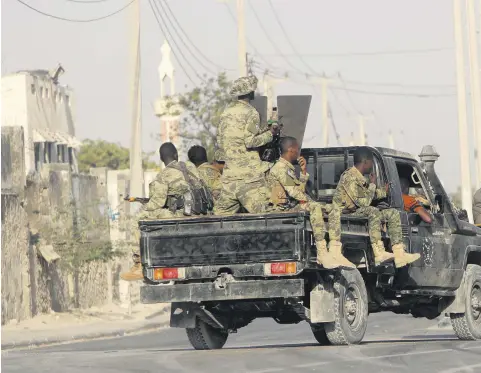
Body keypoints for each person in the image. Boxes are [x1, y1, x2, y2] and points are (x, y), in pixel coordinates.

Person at [121, 142, 203, 281]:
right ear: (176, 155)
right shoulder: (190, 167)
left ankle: (138, 264)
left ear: (161, 158)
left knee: (137, 220)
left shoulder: (163, 175)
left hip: (182, 214)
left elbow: (156, 204)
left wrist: (145, 205)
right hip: (201, 211)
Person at [329, 148, 420, 268]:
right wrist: (372, 184)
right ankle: (379, 253)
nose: (372, 166)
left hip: (356, 211)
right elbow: (364, 203)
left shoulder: (360, 178)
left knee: (392, 213)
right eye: (371, 162)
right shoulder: (349, 177)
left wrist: (383, 192)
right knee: (373, 211)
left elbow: (368, 195)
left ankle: (399, 253)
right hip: (345, 213)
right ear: (365, 162)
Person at [267, 137, 346, 269]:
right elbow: (294, 193)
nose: (298, 152)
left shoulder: (288, 168)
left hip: (291, 205)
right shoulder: (280, 168)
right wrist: (310, 201)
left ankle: (335, 250)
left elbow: (298, 190)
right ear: (291, 149)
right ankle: (322, 251)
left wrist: (303, 172)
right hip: (282, 209)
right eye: (297, 149)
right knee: (315, 207)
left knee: (332, 208)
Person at [215, 75, 280, 215]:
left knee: (219, 219)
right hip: (249, 178)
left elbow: (221, 142)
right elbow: (250, 141)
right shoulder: (251, 112)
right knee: (267, 216)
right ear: (250, 92)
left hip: (229, 178)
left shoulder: (225, 113)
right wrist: (270, 134)